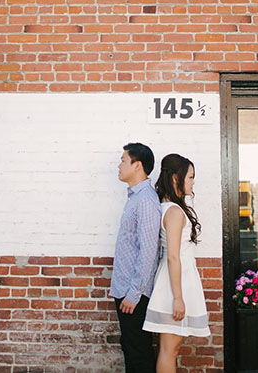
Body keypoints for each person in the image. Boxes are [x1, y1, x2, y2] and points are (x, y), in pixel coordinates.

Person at [143, 153, 210, 373]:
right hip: (174, 285)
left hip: (176, 281)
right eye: (190, 177)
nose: (192, 182)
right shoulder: (173, 211)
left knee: (170, 349)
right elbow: (172, 255)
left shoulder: (170, 208)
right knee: (169, 351)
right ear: (175, 178)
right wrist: (178, 298)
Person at [110, 142, 162, 373]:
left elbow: (149, 252)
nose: (119, 165)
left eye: (123, 160)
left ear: (137, 165)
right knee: (131, 349)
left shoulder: (147, 201)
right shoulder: (135, 197)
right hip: (127, 291)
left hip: (134, 295)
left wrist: (134, 293)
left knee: (138, 352)